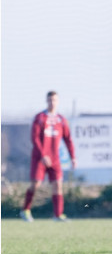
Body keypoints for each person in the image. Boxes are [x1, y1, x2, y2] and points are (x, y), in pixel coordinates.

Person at [20, 91, 76, 222]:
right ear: (47, 101)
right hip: (40, 158)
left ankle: (58, 215)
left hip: (55, 158)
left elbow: (68, 139)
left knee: (58, 184)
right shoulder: (40, 118)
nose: (52, 102)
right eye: (50, 100)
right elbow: (34, 138)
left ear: (58, 101)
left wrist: (73, 157)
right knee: (36, 184)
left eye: (55, 100)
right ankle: (25, 210)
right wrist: (43, 155)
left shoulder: (61, 120)